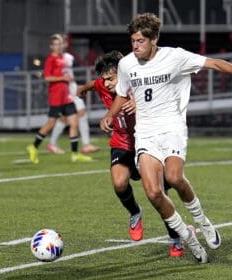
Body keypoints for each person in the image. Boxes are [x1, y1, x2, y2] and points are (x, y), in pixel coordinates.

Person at [100, 13, 232, 263]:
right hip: (145, 133)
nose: (135, 46)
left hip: (172, 127)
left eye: (140, 40)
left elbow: (214, 63)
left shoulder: (175, 57)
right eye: (132, 40)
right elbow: (122, 93)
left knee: (174, 177)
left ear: (154, 39)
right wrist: (110, 115)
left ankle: (203, 221)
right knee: (153, 193)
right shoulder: (127, 64)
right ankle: (189, 238)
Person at [78, 51, 184, 256]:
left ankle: (175, 236)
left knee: (158, 195)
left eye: (111, 78)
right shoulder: (103, 84)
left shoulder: (141, 86)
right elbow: (94, 84)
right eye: (105, 79)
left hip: (148, 145)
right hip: (121, 142)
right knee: (119, 183)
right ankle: (135, 212)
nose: (107, 83)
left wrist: (140, 104)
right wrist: (82, 89)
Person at [26, 34, 91, 164]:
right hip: (55, 97)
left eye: (60, 44)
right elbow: (47, 77)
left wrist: (68, 78)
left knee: (74, 123)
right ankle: (33, 146)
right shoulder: (51, 59)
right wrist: (63, 78)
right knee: (50, 123)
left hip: (66, 97)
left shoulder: (63, 58)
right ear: (51, 46)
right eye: (56, 44)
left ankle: (74, 154)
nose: (59, 46)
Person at [47, 35, 99, 155]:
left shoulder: (68, 57)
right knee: (80, 113)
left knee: (66, 118)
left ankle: (52, 143)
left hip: (71, 88)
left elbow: (77, 68)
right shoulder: (58, 58)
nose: (62, 45)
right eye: (60, 43)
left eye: (63, 42)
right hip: (67, 90)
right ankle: (86, 144)